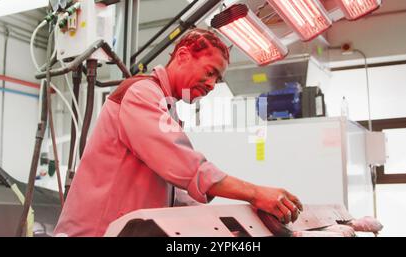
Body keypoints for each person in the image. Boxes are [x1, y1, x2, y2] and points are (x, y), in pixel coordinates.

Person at [53, 28, 303, 237]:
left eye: (217, 79)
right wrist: (256, 194)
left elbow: (179, 193)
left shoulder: (168, 108)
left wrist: (228, 229)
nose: (212, 85)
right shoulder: (141, 93)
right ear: (183, 56)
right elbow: (188, 167)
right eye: (210, 72)